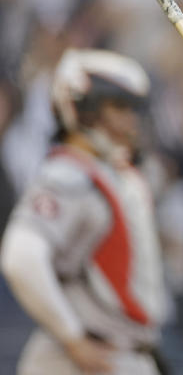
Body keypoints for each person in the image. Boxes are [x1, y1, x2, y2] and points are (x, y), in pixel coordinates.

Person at [0, 49, 167, 374]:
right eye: (118, 107)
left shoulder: (112, 173)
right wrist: (73, 337)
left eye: (132, 108)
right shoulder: (69, 175)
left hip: (120, 354)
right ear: (84, 110)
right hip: (82, 359)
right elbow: (20, 256)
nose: (130, 120)